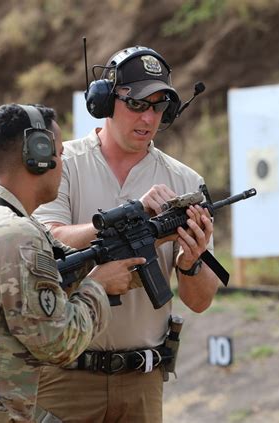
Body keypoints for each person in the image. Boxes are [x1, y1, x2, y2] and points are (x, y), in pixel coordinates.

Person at [0, 103, 145, 423]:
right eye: (59, 154)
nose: (62, 165)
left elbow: (56, 267)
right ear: (38, 154)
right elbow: (59, 343)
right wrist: (99, 287)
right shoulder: (15, 235)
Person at [33, 46, 220, 422]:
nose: (148, 117)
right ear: (104, 101)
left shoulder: (185, 181)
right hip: (64, 375)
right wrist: (130, 215)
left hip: (142, 381)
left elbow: (199, 301)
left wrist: (190, 263)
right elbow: (45, 243)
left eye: (158, 106)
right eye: (137, 104)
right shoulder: (63, 164)